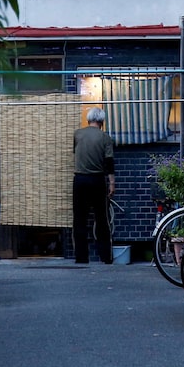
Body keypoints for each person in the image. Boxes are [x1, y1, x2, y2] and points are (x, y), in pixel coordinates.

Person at [73, 107, 115, 264]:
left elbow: (75, 153)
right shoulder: (105, 138)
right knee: (102, 219)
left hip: (80, 180)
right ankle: (106, 257)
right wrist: (112, 183)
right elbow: (109, 163)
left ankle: (81, 257)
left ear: (88, 119)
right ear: (102, 122)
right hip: (97, 180)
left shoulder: (77, 134)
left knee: (79, 219)